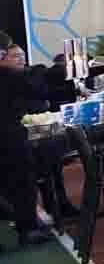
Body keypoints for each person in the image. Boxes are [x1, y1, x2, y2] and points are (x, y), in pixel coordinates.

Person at [0, 37, 56, 249]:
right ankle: (28, 229)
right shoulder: (8, 76)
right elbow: (36, 86)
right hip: (8, 138)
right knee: (22, 183)